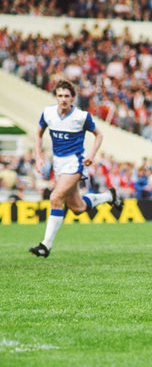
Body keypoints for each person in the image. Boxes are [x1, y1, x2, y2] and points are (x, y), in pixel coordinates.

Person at [28, 80, 123, 258]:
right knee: (77, 208)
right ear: (56, 97)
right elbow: (39, 133)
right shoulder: (48, 113)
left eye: (66, 96)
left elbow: (99, 134)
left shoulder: (81, 116)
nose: (63, 99)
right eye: (60, 96)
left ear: (73, 98)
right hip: (58, 164)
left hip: (74, 163)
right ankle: (109, 196)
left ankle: (45, 246)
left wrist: (91, 155)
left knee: (55, 197)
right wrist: (39, 156)